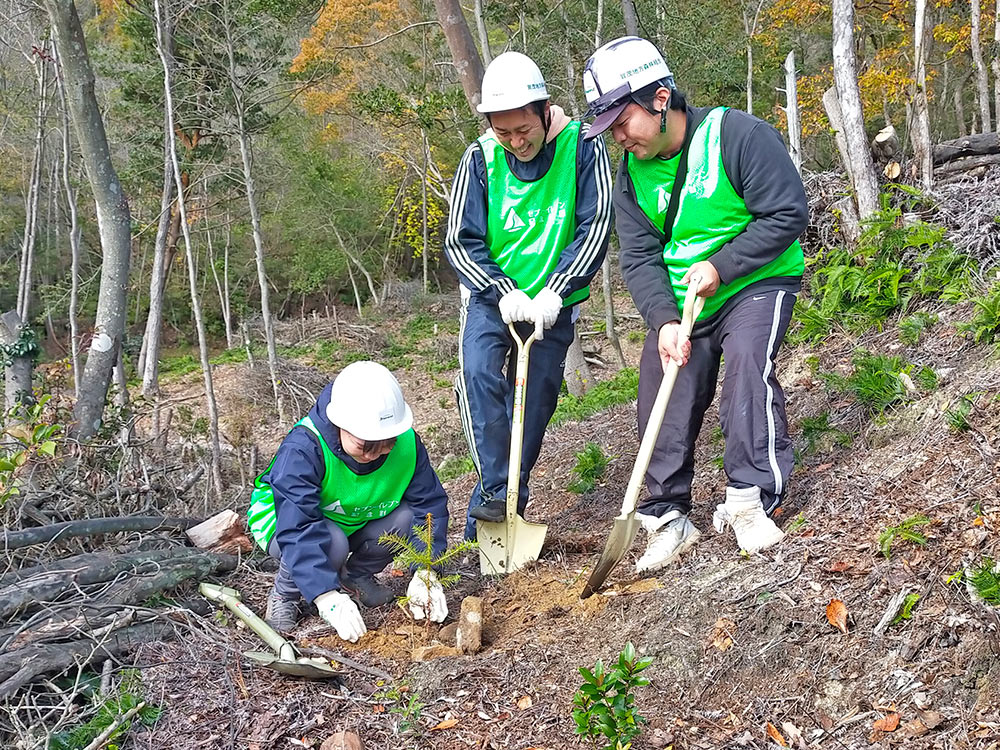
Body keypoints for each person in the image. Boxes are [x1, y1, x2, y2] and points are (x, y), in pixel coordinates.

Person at [581, 36, 808, 571]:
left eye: (622, 122)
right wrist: (662, 320)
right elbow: (639, 259)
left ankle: (751, 500)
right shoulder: (630, 180)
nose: (619, 138)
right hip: (685, 301)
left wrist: (722, 265)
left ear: (660, 99)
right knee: (662, 388)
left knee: (748, 367)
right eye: (609, 129)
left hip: (756, 282)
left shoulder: (738, 136)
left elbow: (786, 213)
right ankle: (668, 516)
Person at [444, 51, 612, 541]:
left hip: (553, 301)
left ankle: (508, 494)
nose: (516, 142)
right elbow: (460, 240)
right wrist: (502, 291)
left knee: (536, 397)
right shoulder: (479, 159)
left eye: (524, 130)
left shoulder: (582, 147)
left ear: (544, 112)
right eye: (504, 132)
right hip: (493, 296)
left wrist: (555, 292)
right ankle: (498, 489)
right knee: (478, 373)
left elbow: (595, 224)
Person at [247, 361, 450, 642]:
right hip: (284, 521)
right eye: (365, 445)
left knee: (404, 520)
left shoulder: (407, 445)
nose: (374, 455)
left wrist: (427, 569)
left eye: (386, 444)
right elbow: (298, 526)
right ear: (339, 424)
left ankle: (354, 577)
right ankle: (286, 592)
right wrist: (325, 595)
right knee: (332, 543)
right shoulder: (304, 448)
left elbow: (428, 507)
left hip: (356, 514)